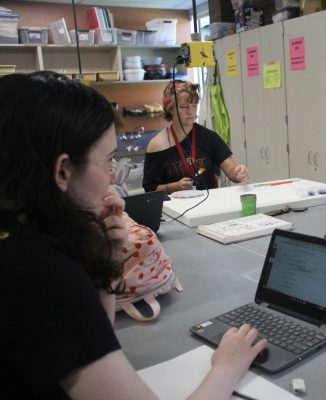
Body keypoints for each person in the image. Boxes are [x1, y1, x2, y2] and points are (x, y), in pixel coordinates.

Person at [0, 71, 266, 399]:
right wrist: (227, 367)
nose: (113, 183)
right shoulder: (42, 274)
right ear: (63, 171)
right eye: (108, 161)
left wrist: (108, 263)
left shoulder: (23, 240)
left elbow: (89, 338)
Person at [143, 80, 248, 193]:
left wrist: (238, 172)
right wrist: (174, 187)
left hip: (208, 206)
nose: (190, 112)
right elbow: (150, 189)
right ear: (170, 109)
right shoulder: (156, 145)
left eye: (194, 106)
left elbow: (231, 170)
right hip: (175, 209)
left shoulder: (209, 137)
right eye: (183, 107)